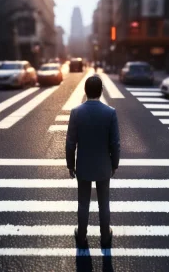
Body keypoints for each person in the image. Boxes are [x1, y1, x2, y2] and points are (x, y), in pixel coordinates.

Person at [66, 76, 120, 249]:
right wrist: (115, 164)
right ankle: (105, 237)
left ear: (85, 91)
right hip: (104, 165)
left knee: (83, 203)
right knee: (104, 203)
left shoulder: (76, 112)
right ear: (101, 91)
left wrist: (70, 164)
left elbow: (70, 143)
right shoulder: (110, 112)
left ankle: (81, 237)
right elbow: (115, 143)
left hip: (83, 166)